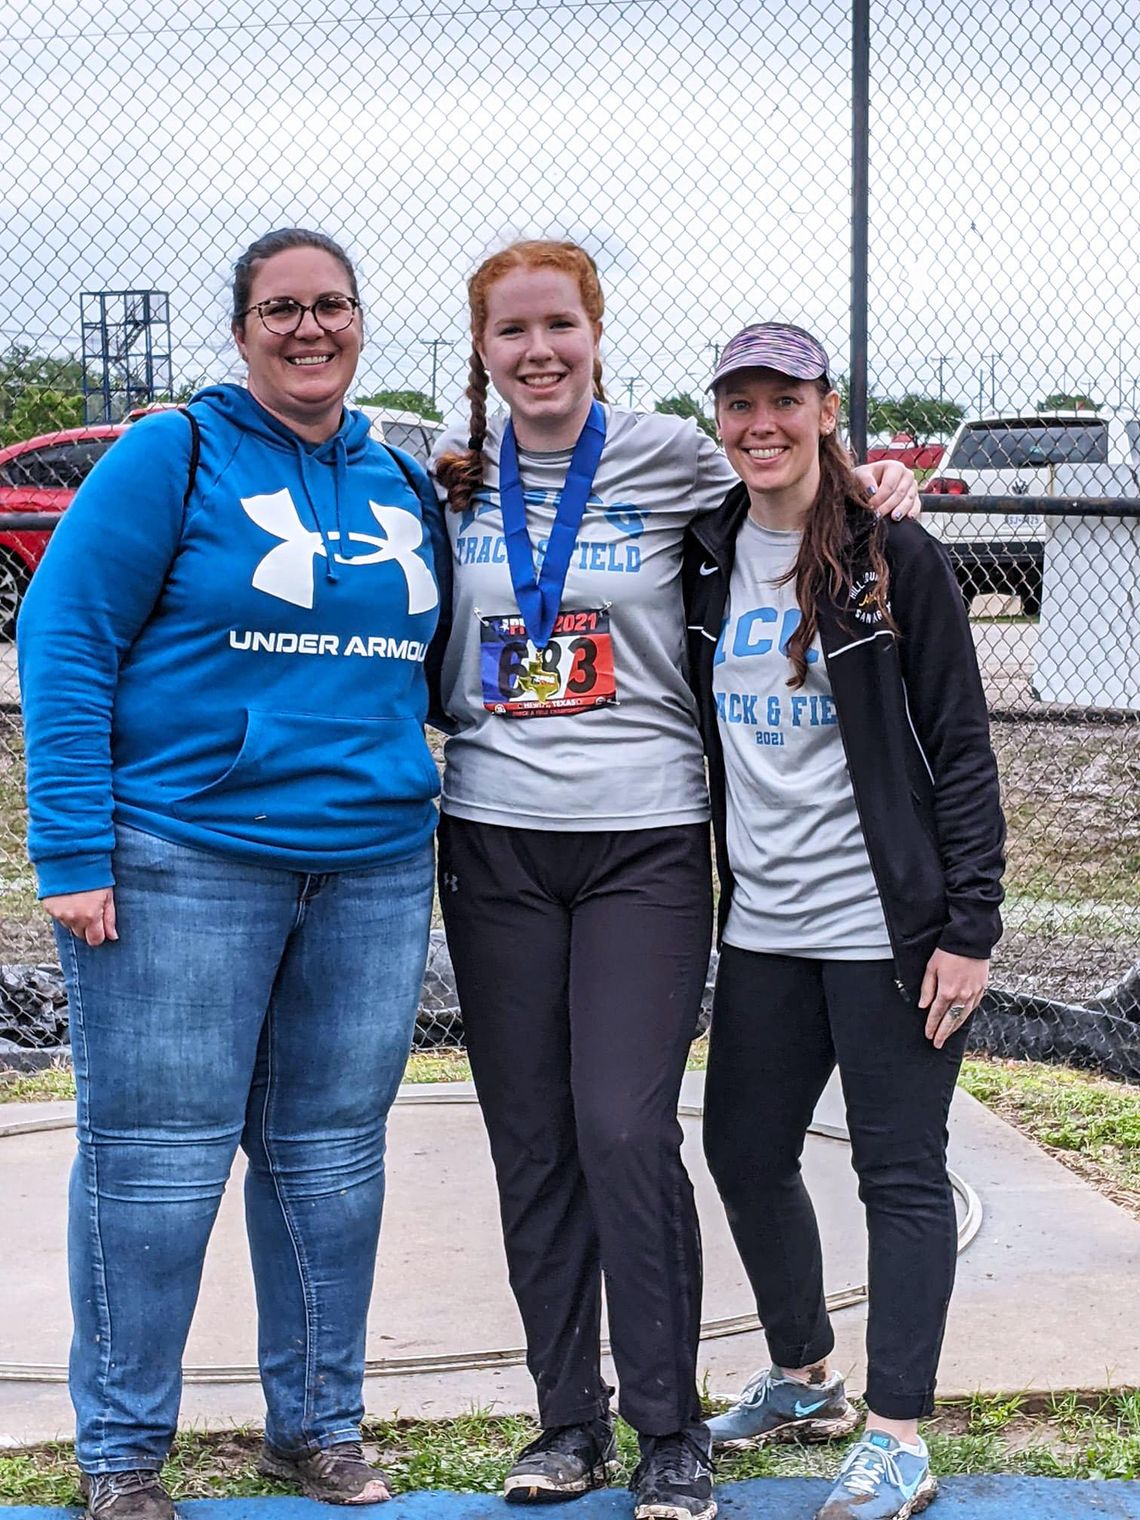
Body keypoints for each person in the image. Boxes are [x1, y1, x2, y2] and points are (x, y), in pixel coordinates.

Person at [430, 242, 920, 1520]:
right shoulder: (447, 478)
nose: (537, 351)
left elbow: (794, 487)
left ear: (597, 333)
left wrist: (877, 490)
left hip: (644, 841)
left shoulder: (670, 456)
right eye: (511, 332)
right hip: (492, 839)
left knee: (625, 1126)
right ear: (481, 350)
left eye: (560, 327)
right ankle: (565, 1420)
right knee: (531, 1137)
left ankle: (669, 1424)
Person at [18, 228, 448, 1520]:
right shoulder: (174, 454)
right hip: (183, 861)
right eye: (281, 309)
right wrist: (72, 852)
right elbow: (64, 637)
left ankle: (317, 1426)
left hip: (369, 870)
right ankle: (123, 1458)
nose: (308, 328)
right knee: (155, 1166)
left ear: (361, 321)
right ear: (243, 328)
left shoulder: (399, 476)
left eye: (331, 306)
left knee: (332, 1162)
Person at [682, 323, 1005, 1520]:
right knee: (746, 1150)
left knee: (898, 1168)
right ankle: (804, 1372)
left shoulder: (893, 555)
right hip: (764, 925)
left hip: (891, 931)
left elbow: (962, 748)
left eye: (784, 398)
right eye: (739, 401)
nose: (760, 422)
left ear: (827, 407)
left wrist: (969, 928)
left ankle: (897, 1432)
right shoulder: (708, 548)